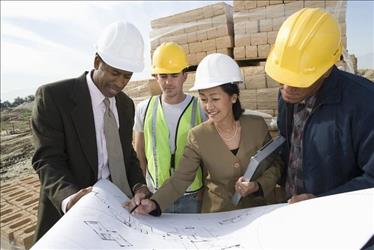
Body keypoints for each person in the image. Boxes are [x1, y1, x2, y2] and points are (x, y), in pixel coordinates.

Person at [31, 21, 151, 241]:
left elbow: (127, 155)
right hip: (68, 217)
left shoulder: (125, 105)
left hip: (114, 210)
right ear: (97, 61)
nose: (120, 83)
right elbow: (47, 160)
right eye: (115, 72)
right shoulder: (54, 98)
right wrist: (69, 198)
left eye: (127, 76)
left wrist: (139, 185)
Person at [126, 53, 283, 215]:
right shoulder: (198, 136)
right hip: (217, 217)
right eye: (203, 99)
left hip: (257, 213)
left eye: (215, 99)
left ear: (233, 97)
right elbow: (181, 178)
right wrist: (154, 203)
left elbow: (275, 164)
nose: (208, 106)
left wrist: (257, 186)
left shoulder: (256, 126)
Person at [264, 8, 374, 204]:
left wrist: (323, 202)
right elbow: (287, 145)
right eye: (282, 77)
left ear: (325, 71)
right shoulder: (287, 95)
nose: (287, 88)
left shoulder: (365, 103)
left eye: (298, 80)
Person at [133, 42, 205, 213]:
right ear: (156, 76)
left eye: (174, 75)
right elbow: (139, 151)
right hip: (155, 195)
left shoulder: (200, 108)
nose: (168, 82)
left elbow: (208, 153)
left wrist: (206, 187)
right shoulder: (144, 108)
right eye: (163, 76)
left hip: (192, 195)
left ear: (184, 75)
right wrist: (144, 186)